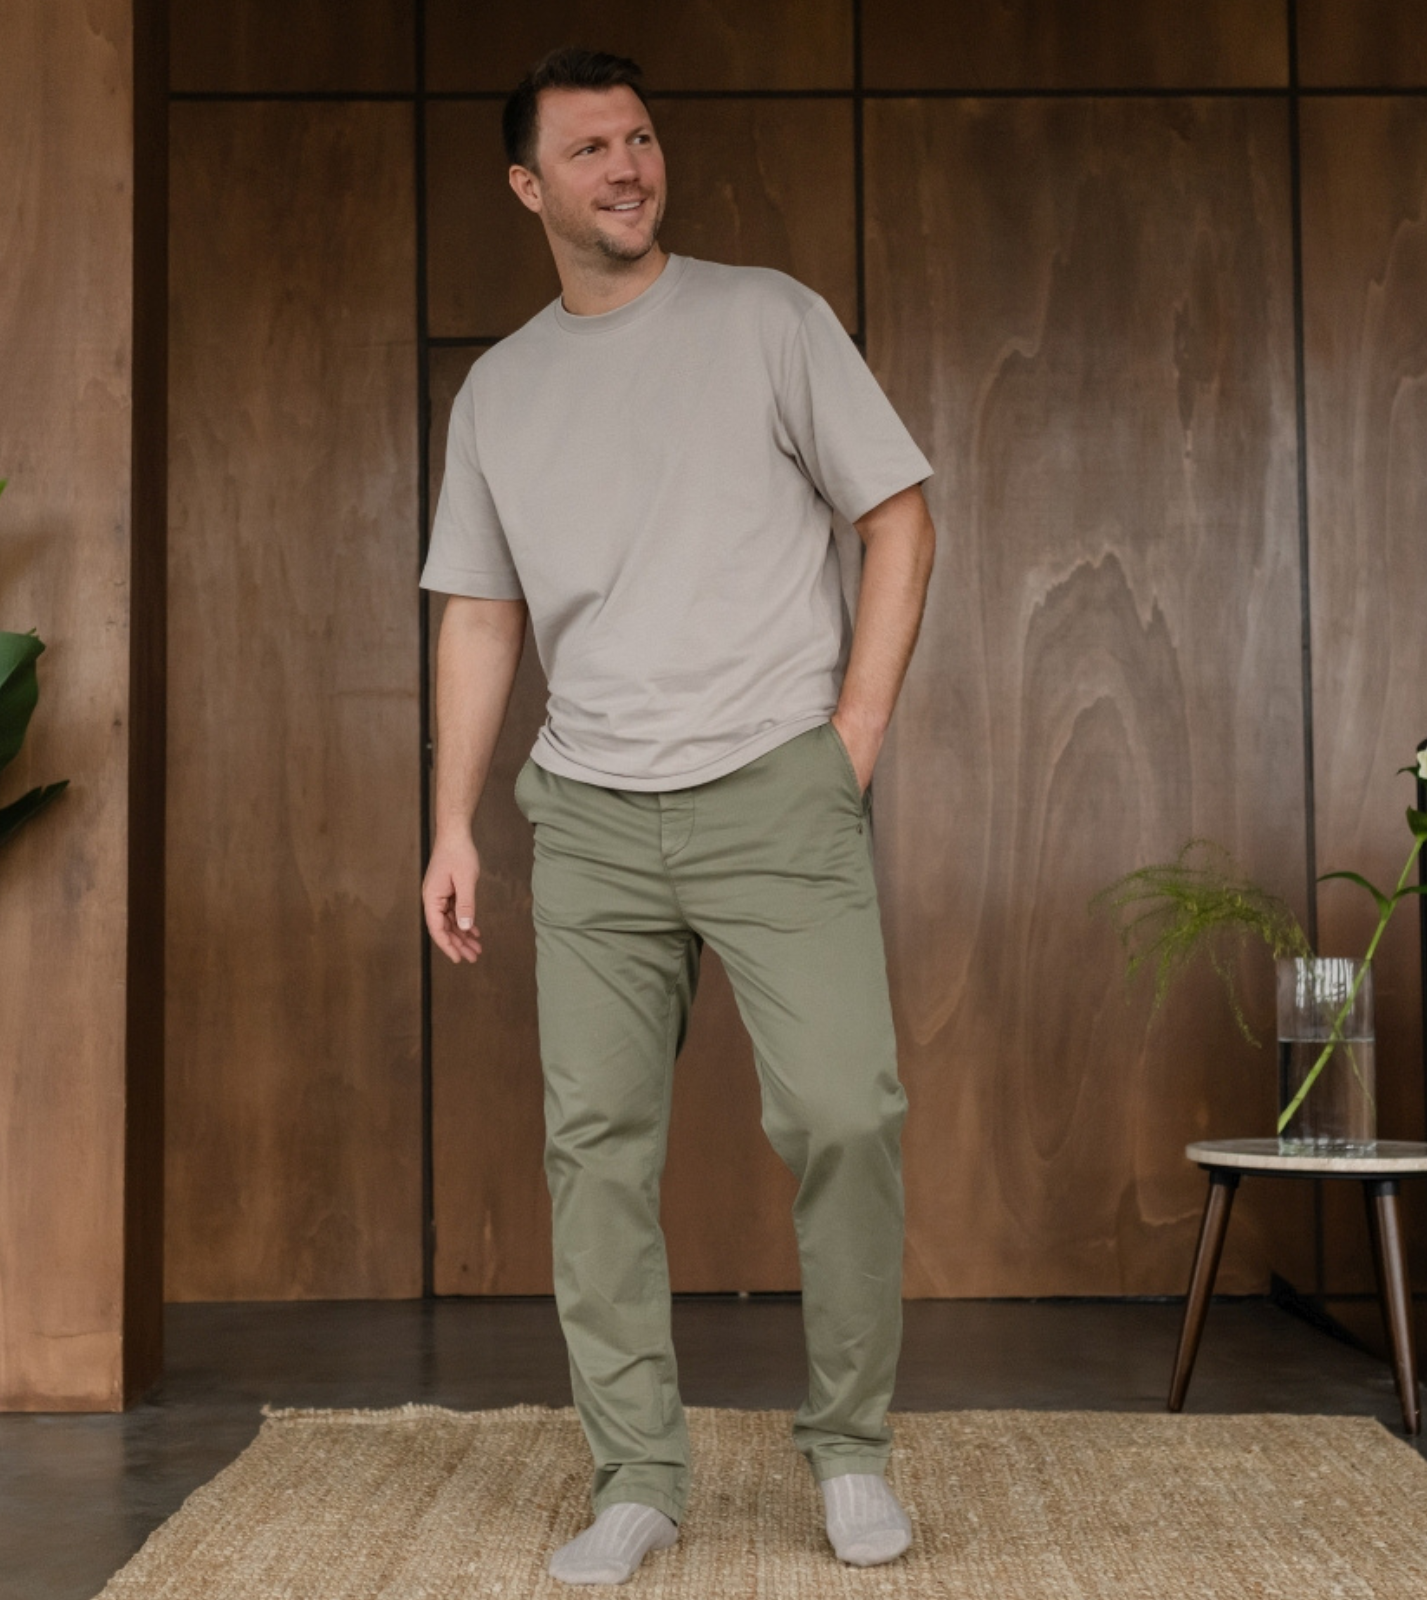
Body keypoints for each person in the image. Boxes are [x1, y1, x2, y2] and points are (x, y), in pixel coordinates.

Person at [418, 45, 937, 1587]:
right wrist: (452, 824)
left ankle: (850, 1450)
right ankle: (637, 1475)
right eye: (590, 149)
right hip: (587, 815)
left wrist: (851, 735)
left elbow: (899, 516)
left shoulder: (769, 318)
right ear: (529, 186)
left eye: (640, 138)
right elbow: (478, 615)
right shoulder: (500, 390)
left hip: (776, 788)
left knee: (845, 1114)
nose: (628, 166)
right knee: (596, 1151)